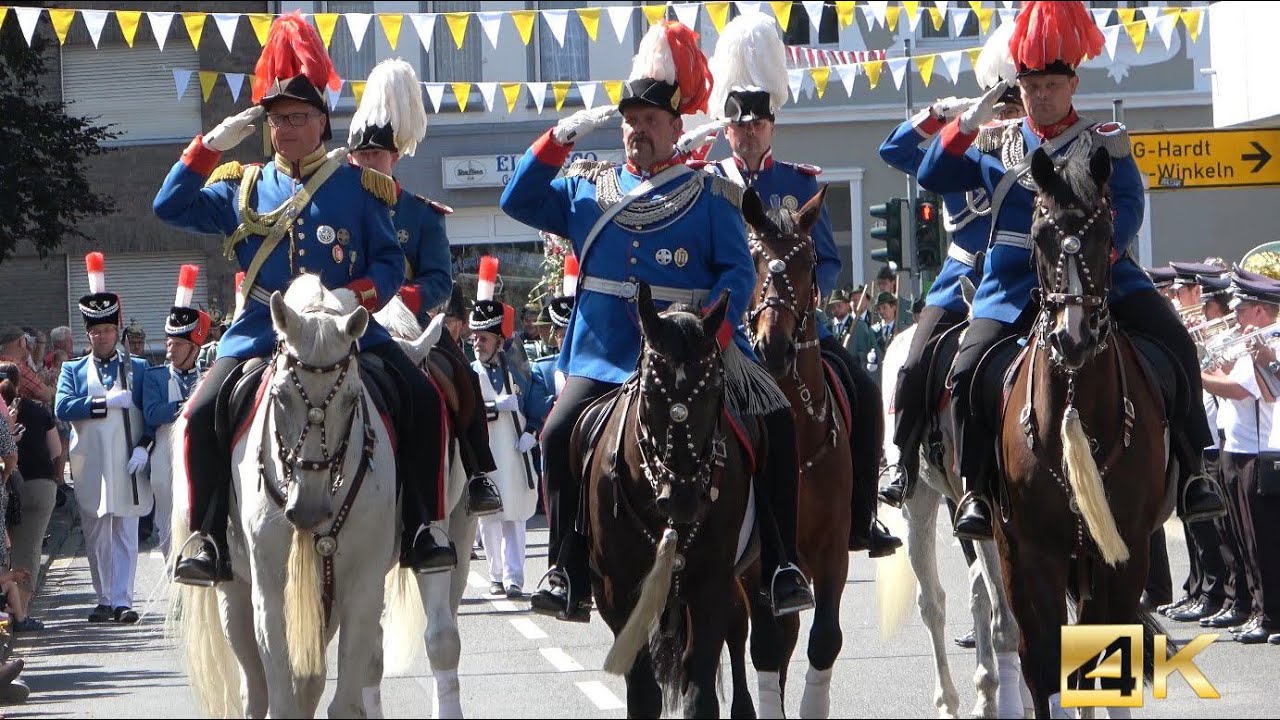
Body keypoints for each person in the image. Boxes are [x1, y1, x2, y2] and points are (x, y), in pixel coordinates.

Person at [500, 20, 814, 622]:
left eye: (649, 120)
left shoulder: (709, 193)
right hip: (604, 355)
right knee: (557, 432)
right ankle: (565, 568)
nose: (636, 130)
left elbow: (737, 277)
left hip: (695, 352)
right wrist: (557, 140)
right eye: (630, 119)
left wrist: (713, 334)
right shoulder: (586, 190)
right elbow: (517, 199)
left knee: (773, 417)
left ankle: (779, 562)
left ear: (677, 127)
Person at [152, 12, 455, 584]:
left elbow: (390, 264)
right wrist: (210, 147)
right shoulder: (243, 185)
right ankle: (207, 537)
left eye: (297, 116)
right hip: (260, 332)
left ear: (321, 120)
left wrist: (349, 299)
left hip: (340, 328)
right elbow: (168, 207)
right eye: (277, 117)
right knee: (196, 415)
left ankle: (423, 526)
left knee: (423, 397)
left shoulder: (359, 187)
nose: (285, 127)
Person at [917, 0, 1225, 538]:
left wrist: (1104, 253)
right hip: (1014, 279)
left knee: (1176, 341)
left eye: (1051, 86)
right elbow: (931, 171)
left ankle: (1196, 471)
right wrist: (966, 122)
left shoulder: (1102, 138)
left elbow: (1128, 199)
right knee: (965, 371)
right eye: (1031, 87)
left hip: (1099, 274)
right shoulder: (996, 141)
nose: (1040, 96)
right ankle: (977, 491)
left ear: (1073, 84)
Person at [694, 12, 899, 555]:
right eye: (738, 126)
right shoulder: (709, 185)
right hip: (731, 328)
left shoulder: (799, 183)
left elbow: (827, 259)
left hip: (795, 323)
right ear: (727, 128)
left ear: (771, 126)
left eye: (757, 125)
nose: (748, 134)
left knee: (861, 388)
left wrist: (803, 300)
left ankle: (862, 513)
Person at [878, 23, 1025, 506]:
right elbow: (895, 151)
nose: (1005, 115)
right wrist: (941, 115)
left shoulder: (1029, 150)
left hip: (1022, 276)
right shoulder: (962, 147)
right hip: (961, 275)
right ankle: (901, 461)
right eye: (998, 105)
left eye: (1013, 105)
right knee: (916, 362)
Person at [347, 58, 502, 517]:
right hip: (347, 320)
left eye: (377, 156)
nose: (368, 163)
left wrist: (402, 300)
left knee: (461, 374)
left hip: (407, 322)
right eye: (361, 156)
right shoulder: (339, 213)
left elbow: (439, 279)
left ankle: (478, 474)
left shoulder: (420, 214)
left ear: (394, 158)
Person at [54, 256, 152, 623]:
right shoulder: (72, 369)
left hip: (127, 460)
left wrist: (144, 447)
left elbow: (153, 414)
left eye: (107, 330)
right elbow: (62, 406)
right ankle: (104, 597)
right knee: (97, 533)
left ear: (117, 331)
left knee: (126, 530)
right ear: (87, 334)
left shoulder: (138, 369)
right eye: (95, 332)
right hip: (92, 461)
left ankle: (124, 599)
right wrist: (101, 403)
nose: (101, 337)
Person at [469, 277, 539, 598]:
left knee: (516, 518)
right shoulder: (469, 372)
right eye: (474, 338)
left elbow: (537, 399)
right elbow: (466, 411)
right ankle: (496, 575)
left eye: (483, 338)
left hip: (514, 453)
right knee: (490, 519)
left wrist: (532, 431)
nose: (477, 343)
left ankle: (515, 578)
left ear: (499, 340)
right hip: (487, 456)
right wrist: (494, 405)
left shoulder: (518, 370)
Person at [141, 267, 211, 558]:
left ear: (194, 347)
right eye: (169, 343)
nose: (170, 350)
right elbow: (153, 413)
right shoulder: (155, 376)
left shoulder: (208, 374)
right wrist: (188, 406)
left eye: (178, 344)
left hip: (199, 445)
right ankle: (172, 563)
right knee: (167, 509)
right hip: (165, 450)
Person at [0, 363, 59, 601]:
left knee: (4, 553)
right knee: (29, 550)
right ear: (19, 383)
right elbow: (55, 450)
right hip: (38, 485)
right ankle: (21, 610)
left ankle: (8, 608)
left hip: (8, 486)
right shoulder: (36, 409)